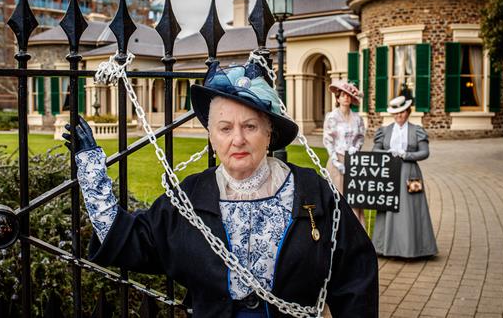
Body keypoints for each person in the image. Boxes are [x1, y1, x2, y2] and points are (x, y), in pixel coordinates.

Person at [63, 60, 378, 317]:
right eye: (225, 128)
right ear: (212, 137)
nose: (237, 139)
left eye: (250, 126)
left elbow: (355, 275)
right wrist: (91, 171)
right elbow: (128, 238)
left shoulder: (312, 191)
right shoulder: (190, 196)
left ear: (269, 134)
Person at [371, 96, 438, 258]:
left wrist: (406, 154)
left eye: (402, 113)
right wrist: (388, 153)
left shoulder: (416, 130)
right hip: (388, 174)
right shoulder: (385, 131)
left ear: (408, 112)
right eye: (396, 113)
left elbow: (424, 152)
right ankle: (384, 247)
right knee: (387, 207)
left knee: (412, 207)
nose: (399, 116)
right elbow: (375, 150)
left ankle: (415, 248)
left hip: (411, 173)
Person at [323, 81, 366, 227]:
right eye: (342, 95)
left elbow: (360, 137)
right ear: (338, 98)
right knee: (338, 197)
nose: (346, 98)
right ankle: (337, 233)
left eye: (348, 95)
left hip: (353, 160)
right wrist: (335, 161)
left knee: (354, 198)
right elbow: (328, 140)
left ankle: (356, 233)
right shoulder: (332, 116)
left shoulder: (357, 118)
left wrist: (356, 148)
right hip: (337, 160)